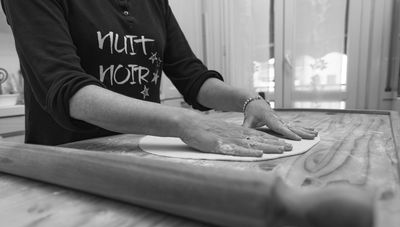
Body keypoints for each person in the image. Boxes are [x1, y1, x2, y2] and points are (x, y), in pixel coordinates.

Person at [1, 0, 317, 157]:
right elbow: (68, 91)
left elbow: (191, 75)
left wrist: (247, 101)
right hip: (69, 161)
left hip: (141, 153)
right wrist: (181, 122)